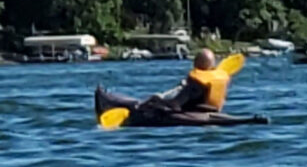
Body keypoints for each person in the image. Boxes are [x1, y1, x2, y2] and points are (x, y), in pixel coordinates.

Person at [95, 49, 263, 127]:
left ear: (196, 64)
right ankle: (110, 98)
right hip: (208, 112)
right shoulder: (219, 77)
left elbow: (175, 104)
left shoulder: (196, 83)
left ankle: (107, 100)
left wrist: (155, 103)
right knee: (148, 101)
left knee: (141, 105)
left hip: (191, 114)